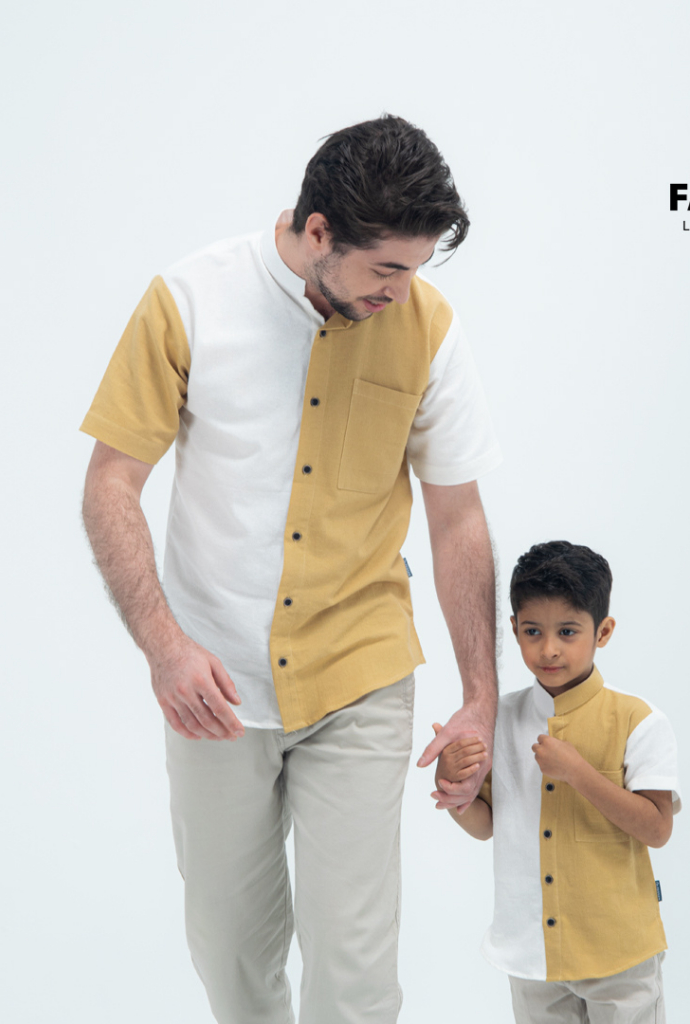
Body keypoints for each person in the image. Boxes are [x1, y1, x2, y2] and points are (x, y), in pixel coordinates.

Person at [80, 114, 501, 1023]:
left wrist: (480, 695)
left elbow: (458, 517)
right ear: (318, 232)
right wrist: (164, 648)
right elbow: (112, 484)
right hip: (213, 684)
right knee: (231, 953)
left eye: (416, 268)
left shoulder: (427, 324)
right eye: (386, 268)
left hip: (359, 670)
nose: (402, 290)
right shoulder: (190, 300)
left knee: (354, 964)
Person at [433, 541, 681, 1024]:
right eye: (533, 631)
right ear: (514, 630)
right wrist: (455, 789)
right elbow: (486, 826)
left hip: (618, 950)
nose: (548, 648)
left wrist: (579, 774)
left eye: (567, 631)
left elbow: (657, 829)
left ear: (603, 631)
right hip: (530, 953)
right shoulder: (498, 719)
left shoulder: (640, 720)